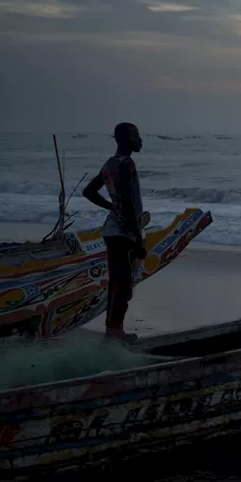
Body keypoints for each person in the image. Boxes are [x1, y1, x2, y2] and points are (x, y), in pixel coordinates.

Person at [82, 122, 146, 343]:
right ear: (126, 137)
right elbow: (128, 203)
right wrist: (138, 238)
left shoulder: (110, 164)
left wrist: (111, 206)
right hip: (123, 231)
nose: (140, 139)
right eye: (137, 135)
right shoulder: (126, 164)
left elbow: (89, 191)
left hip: (113, 229)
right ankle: (114, 331)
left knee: (118, 281)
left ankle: (113, 329)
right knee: (123, 281)